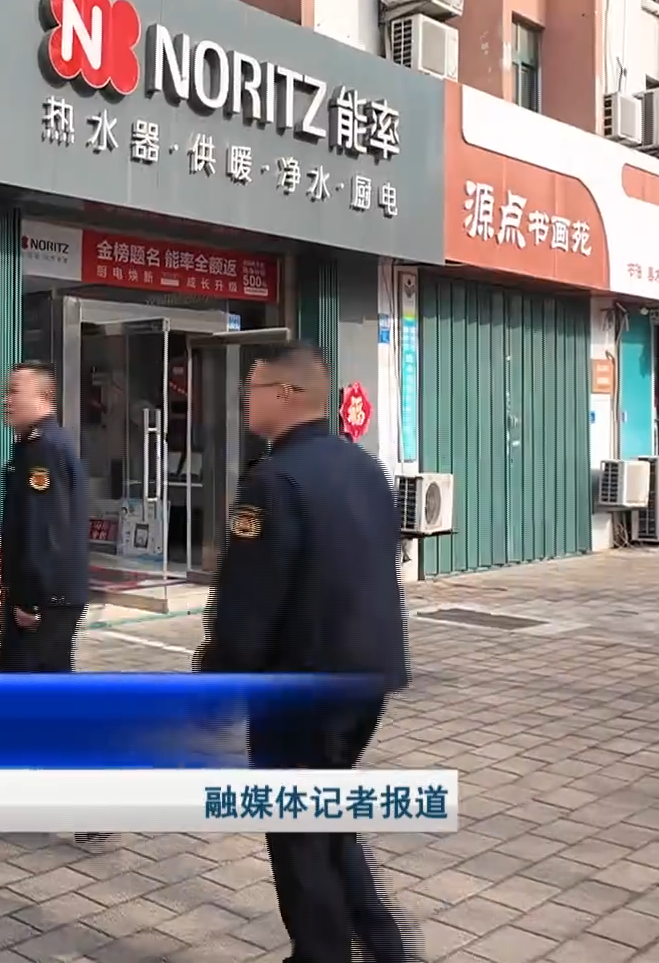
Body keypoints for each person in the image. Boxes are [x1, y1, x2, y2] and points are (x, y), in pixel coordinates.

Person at [192, 342, 412, 963]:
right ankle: (385, 944)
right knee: (325, 809)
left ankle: (323, 954)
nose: (245, 400)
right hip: (368, 676)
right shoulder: (363, 467)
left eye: (253, 389)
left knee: (297, 834)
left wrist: (214, 686)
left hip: (303, 688)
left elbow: (248, 604)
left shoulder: (274, 481)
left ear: (286, 395)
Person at [0, 361, 90, 674]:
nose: (7, 400)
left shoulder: (43, 449)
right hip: (53, 597)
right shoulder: (38, 444)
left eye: (14, 392)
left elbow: (45, 530)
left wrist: (30, 601)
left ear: (43, 397)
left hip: (45, 600)